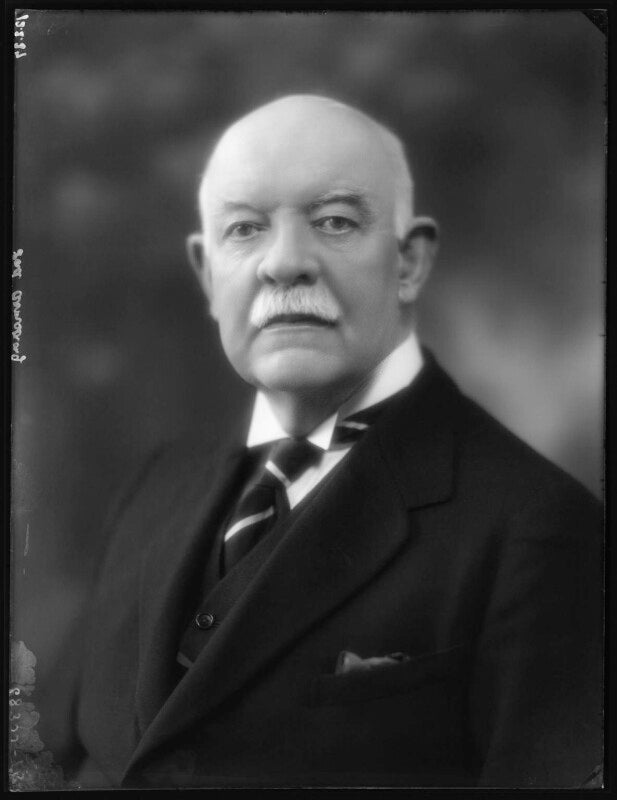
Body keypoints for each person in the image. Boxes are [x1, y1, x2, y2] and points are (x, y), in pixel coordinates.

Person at [48, 95, 603, 789]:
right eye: (244, 229)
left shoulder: (540, 528)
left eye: (334, 221)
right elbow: (58, 754)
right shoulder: (158, 484)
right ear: (207, 273)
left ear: (409, 262)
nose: (284, 263)